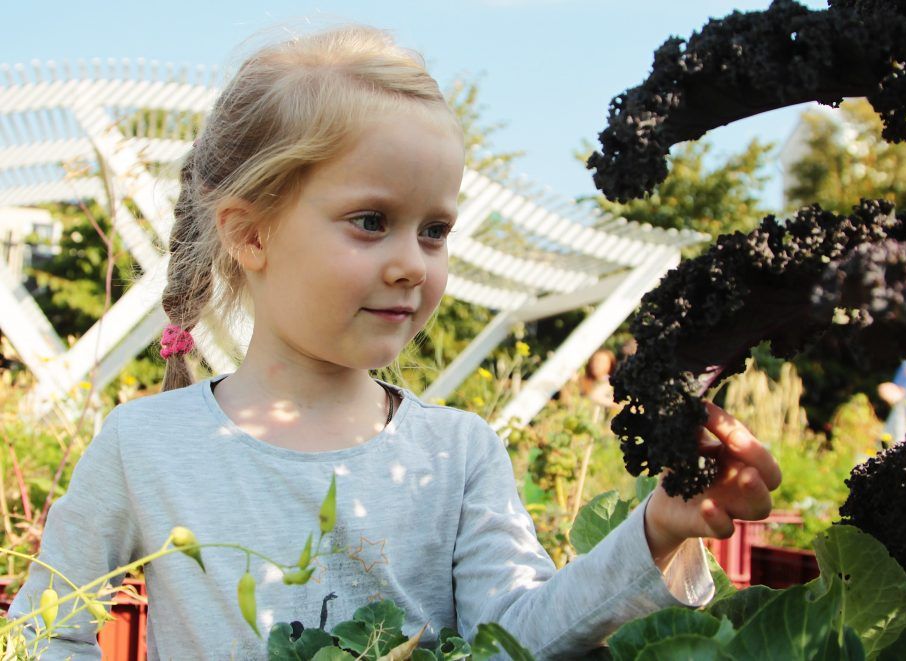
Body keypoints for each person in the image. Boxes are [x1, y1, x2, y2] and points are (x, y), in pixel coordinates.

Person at [8, 26, 781, 659]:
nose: (414, 262)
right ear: (251, 233)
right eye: (371, 220)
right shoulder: (144, 444)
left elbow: (517, 633)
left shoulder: (459, 453)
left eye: (435, 229)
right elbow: (47, 630)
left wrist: (657, 528)